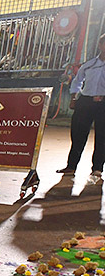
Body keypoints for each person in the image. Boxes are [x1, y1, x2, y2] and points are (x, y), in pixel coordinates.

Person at [59, 32, 105, 179]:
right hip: (85, 102)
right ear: (100, 45)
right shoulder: (89, 65)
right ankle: (71, 166)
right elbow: (77, 81)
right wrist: (74, 97)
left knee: (102, 136)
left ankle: (97, 168)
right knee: (78, 134)